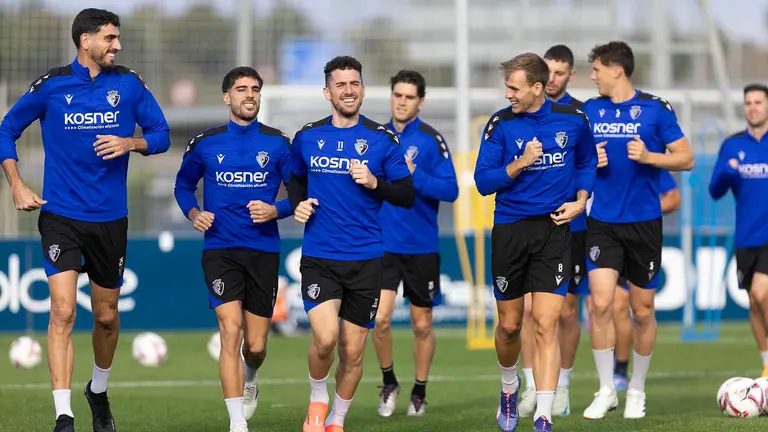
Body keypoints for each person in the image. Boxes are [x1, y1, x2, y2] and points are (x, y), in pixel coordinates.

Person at [0, 8, 170, 432]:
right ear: (85, 40)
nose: (118, 45)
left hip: (111, 218)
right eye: (110, 38)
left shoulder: (128, 84)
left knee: (106, 316)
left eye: (117, 38)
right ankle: (64, 415)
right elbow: (6, 129)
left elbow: (162, 135)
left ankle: (97, 390)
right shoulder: (52, 86)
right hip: (60, 214)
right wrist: (16, 184)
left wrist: (131, 142)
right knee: (61, 311)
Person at [287, 56, 416, 432]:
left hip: (366, 259)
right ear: (327, 92)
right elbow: (295, 179)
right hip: (320, 257)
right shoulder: (307, 137)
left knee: (354, 350)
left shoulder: (382, 140)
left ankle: (336, 421)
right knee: (326, 338)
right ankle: (317, 398)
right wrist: (298, 204)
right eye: (340, 84)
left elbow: (406, 194)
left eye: (354, 83)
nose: (348, 90)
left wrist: (375, 183)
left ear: (363, 89)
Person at [474, 52, 597, 432]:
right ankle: (509, 387)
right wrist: (519, 163)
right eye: (507, 87)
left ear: (537, 88)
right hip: (510, 230)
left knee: (547, 323)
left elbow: (587, 163)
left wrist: (581, 199)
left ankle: (544, 414)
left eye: (514, 88)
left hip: (553, 231)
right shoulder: (501, 123)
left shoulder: (573, 120)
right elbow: (483, 182)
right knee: (511, 325)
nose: (508, 94)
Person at [174, 67, 294, 432]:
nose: (250, 95)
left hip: (263, 251)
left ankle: (251, 375)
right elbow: (183, 186)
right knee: (230, 330)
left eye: (255, 89)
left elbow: (301, 194)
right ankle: (237, 422)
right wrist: (194, 213)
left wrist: (275, 210)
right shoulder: (206, 143)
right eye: (241, 89)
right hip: (220, 250)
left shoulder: (277, 143)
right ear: (227, 97)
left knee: (255, 346)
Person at [580, 41, 694, 420]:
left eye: (597, 69)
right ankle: (606, 390)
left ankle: (637, 390)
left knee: (642, 311)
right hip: (602, 223)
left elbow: (686, 159)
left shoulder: (655, 109)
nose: (592, 76)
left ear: (617, 70)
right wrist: (589, 163)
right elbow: (575, 160)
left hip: (644, 224)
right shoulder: (589, 111)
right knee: (599, 304)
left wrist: (649, 157)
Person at [373, 70, 459, 418]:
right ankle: (389, 381)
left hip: (421, 246)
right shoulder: (376, 138)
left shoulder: (431, 140)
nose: (402, 102)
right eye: (397, 95)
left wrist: (415, 175)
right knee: (379, 319)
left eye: (409, 97)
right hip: (382, 244)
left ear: (420, 102)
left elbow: (451, 190)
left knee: (422, 325)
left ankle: (419, 391)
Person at [517, 44, 588, 419]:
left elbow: (590, 164)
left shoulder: (579, 115)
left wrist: (583, 195)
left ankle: (562, 386)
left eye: (560, 72)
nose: (553, 78)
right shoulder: (521, 114)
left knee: (567, 312)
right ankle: (533, 385)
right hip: (530, 225)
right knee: (529, 310)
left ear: (570, 75)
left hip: (571, 226)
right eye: (549, 72)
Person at [709, 83, 768, 378]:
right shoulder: (732, 146)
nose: (753, 108)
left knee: (761, 292)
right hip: (745, 237)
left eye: (758, 102)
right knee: (754, 303)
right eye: (748, 103)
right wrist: (728, 171)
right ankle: (766, 365)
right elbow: (714, 190)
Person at [610, 169, 680, 390]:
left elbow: (673, 198)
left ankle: (623, 372)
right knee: (609, 304)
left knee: (634, 308)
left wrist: (642, 210)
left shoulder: (648, 158)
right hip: (604, 234)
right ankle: (613, 372)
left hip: (640, 236)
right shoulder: (597, 153)